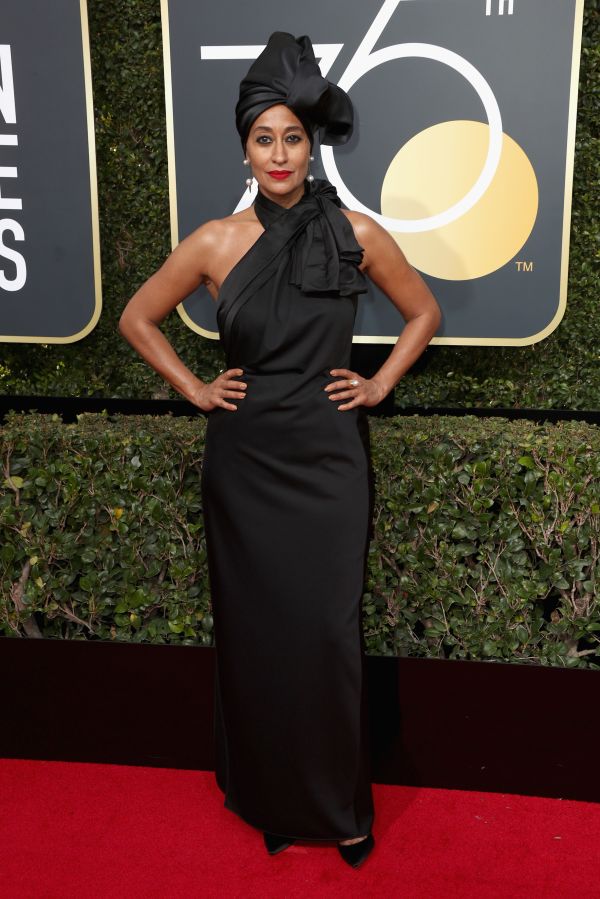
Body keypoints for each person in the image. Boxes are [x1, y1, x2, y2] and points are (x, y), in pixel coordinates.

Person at [119, 31, 441, 869]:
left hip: (329, 460)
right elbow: (136, 318)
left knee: (327, 635)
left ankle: (340, 807)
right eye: (263, 138)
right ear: (245, 149)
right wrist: (197, 389)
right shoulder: (214, 241)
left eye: (292, 137)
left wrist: (379, 383)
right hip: (246, 463)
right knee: (259, 636)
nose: (279, 153)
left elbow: (424, 313)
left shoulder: (356, 232)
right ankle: (272, 796)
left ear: (311, 144)